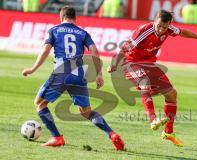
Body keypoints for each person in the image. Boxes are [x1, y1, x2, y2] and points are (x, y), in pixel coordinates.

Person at [22, 6, 124, 150]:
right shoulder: (83, 33)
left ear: (61, 17)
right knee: (86, 111)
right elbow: (94, 50)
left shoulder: (54, 30)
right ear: (75, 18)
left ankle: (57, 137)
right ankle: (111, 133)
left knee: (39, 103)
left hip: (62, 72)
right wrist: (99, 74)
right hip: (79, 74)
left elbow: (45, 50)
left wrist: (32, 69)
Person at [108, 10, 197, 147]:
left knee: (172, 94)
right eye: (159, 26)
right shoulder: (144, 31)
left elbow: (183, 32)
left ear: (169, 25)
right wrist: (114, 64)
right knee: (145, 83)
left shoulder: (169, 29)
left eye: (165, 27)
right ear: (155, 21)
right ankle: (153, 119)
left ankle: (168, 132)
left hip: (149, 63)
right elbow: (125, 48)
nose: (161, 29)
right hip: (131, 62)